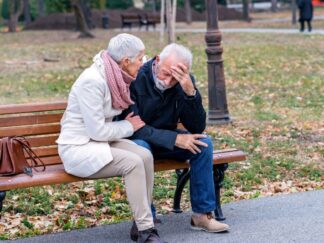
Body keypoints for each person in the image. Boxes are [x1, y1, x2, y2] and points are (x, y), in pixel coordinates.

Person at [56, 33, 163, 243]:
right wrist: (128, 126)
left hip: (97, 143)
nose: (143, 63)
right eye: (140, 58)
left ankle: (141, 220)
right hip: (78, 148)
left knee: (144, 155)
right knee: (132, 163)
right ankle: (145, 231)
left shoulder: (115, 76)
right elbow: (96, 131)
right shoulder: (92, 81)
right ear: (125, 61)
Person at [119, 43, 230, 240]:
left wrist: (190, 93)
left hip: (167, 141)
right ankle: (146, 219)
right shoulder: (136, 78)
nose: (168, 81)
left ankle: (201, 215)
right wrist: (175, 138)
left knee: (204, 144)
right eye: (165, 74)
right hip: (139, 140)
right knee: (141, 150)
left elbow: (197, 127)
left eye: (175, 77)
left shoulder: (183, 81)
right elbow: (134, 127)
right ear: (157, 61)